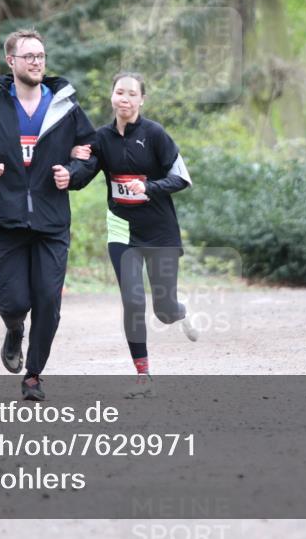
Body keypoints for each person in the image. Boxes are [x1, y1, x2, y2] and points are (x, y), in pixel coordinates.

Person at [0, 29, 96, 401]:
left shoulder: (65, 108)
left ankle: (33, 375)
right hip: (4, 220)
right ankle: (14, 329)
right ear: (10, 61)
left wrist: (72, 174)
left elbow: (91, 153)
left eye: (41, 56)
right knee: (14, 302)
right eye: (29, 56)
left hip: (50, 220)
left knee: (48, 300)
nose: (37, 62)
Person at [70, 72, 197, 398]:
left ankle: (179, 309)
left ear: (141, 100)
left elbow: (182, 179)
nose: (124, 99)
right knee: (133, 300)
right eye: (119, 92)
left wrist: (149, 187)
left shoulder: (155, 134)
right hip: (121, 228)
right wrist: (73, 163)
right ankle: (143, 376)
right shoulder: (100, 138)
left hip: (159, 229)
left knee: (163, 311)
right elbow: (82, 178)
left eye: (131, 94)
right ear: (112, 97)